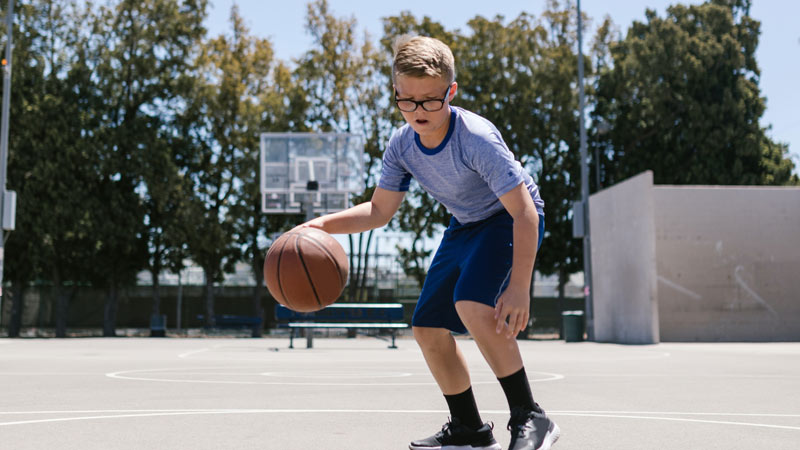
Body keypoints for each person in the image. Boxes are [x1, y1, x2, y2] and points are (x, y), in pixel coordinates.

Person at [298, 35, 560, 450]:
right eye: (407, 101)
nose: (418, 111)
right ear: (397, 92)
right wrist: (318, 227)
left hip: (509, 219)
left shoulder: (475, 137)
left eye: (430, 101)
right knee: (426, 327)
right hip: (465, 226)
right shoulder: (402, 145)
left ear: (450, 92)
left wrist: (519, 286)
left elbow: (524, 212)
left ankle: (531, 416)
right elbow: (379, 211)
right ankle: (469, 429)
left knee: (472, 305)